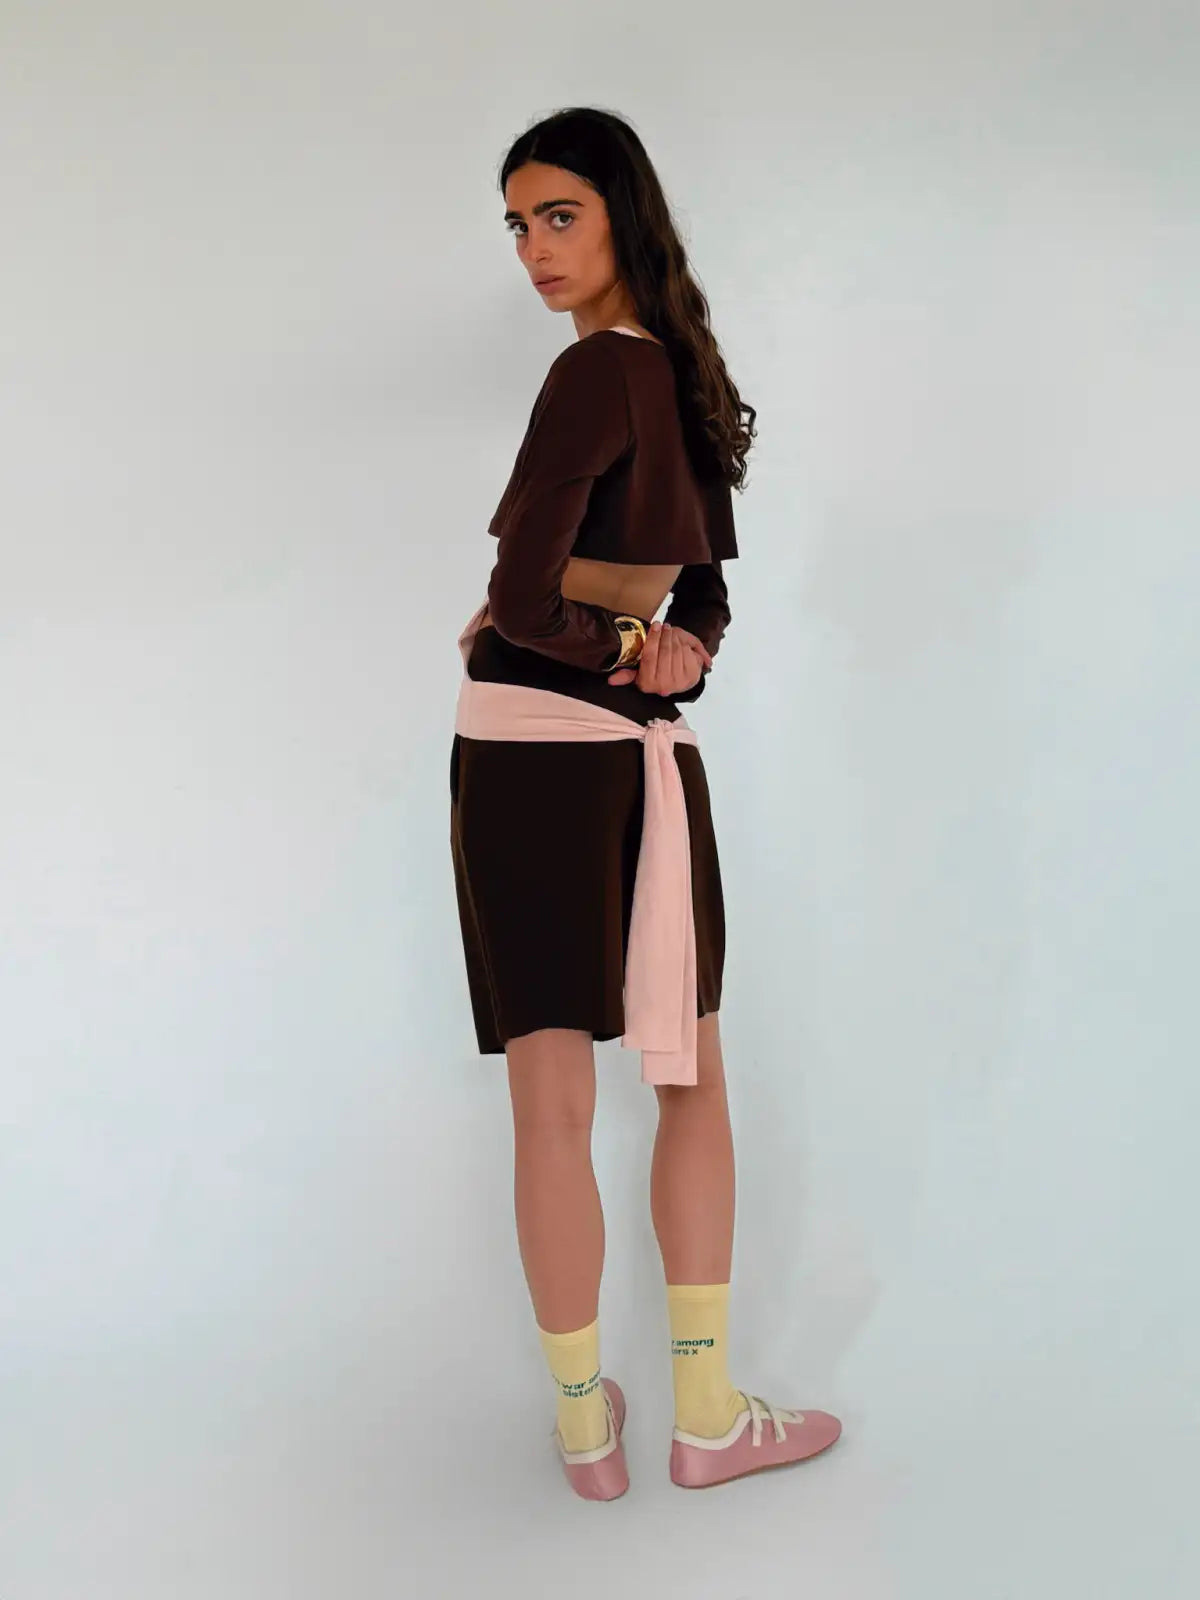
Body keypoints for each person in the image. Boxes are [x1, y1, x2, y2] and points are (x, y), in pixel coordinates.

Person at [449, 107, 842, 1499]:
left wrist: (642, 645)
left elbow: (519, 604)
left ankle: (585, 1433)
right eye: (517, 224)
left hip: (524, 748)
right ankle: (706, 1418)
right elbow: (702, 600)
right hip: (617, 751)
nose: (533, 249)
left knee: (552, 1100)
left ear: (624, 209)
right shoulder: (680, 373)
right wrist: (660, 649)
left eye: (558, 214)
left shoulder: (597, 374)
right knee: (687, 1077)